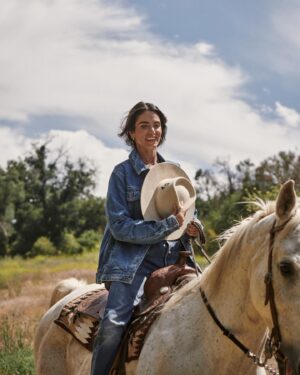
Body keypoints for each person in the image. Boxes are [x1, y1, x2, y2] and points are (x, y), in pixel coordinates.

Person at [91, 101, 200, 375]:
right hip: (134, 264)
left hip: (177, 257)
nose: (152, 131)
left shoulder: (175, 172)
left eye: (156, 125)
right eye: (144, 126)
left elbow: (187, 213)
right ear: (131, 133)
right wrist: (166, 226)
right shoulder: (122, 174)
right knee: (114, 324)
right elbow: (120, 227)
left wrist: (194, 227)